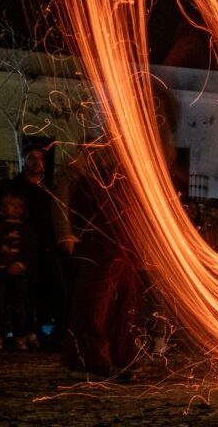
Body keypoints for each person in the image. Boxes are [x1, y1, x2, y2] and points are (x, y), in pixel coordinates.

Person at [54, 149, 142, 379]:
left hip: (121, 243)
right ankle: (90, 357)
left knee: (125, 297)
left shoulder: (120, 173)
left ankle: (120, 353)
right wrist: (65, 234)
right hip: (100, 242)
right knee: (96, 300)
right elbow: (62, 199)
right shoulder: (83, 172)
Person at [0, 145, 67, 342]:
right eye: (32, 158)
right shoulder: (14, 188)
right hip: (19, 248)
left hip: (45, 245)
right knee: (22, 292)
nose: (37, 162)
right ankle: (21, 331)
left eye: (40, 158)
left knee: (53, 288)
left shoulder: (49, 190)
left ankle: (50, 331)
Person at [0, 193, 39, 349]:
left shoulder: (28, 229)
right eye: (11, 204)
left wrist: (22, 264)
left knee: (20, 304)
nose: (15, 208)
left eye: (19, 205)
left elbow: (31, 251)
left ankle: (20, 335)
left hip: (20, 272)